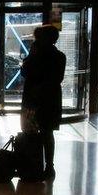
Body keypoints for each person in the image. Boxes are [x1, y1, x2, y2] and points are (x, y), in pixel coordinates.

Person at [20, 24, 66, 180]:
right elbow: (58, 79)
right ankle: (49, 166)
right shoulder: (60, 56)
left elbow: (24, 73)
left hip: (33, 99)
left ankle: (32, 165)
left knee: (30, 132)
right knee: (48, 133)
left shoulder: (35, 56)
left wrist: (30, 56)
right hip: (51, 99)